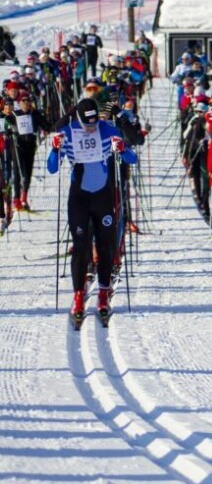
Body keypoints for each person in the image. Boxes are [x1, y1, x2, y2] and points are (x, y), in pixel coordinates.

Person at [48, 98, 138, 326]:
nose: (91, 126)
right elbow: (52, 167)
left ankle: (103, 294)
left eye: (94, 122)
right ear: (78, 118)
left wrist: (122, 149)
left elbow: (132, 158)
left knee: (106, 245)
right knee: (80, 247)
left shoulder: (108, 129)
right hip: (79, 198)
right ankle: (79, 296)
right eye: (87, 123)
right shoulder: (68, 132)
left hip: (103, 197)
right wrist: (55, 149)